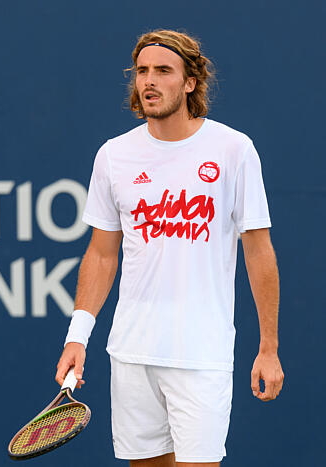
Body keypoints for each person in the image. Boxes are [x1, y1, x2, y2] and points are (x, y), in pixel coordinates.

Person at [55, 30, 284, 466]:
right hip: (131, 354)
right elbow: (102, 254)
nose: (149, 81)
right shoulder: (113, 156)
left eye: (163, 70)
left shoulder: (234, 150)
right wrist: (77, 336)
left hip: (201, 355)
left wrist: (268, 347)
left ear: (191, 82)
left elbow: (258, 251)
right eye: (142, 71)